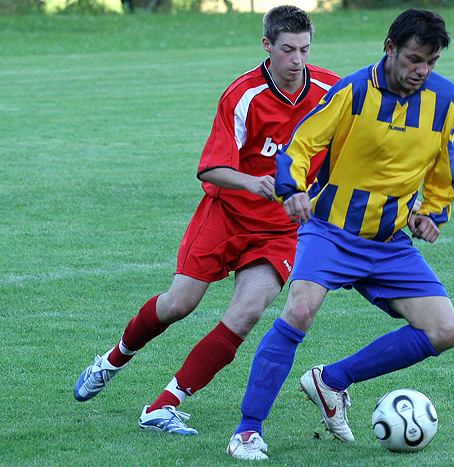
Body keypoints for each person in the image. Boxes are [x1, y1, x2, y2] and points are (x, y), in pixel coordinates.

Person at [73, 4, 340, 437]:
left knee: (247, 313)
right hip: (227, 215)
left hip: (281, 229)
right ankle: (113, 359)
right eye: (287, 50)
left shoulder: (332, 90)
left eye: (304, 50)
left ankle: (164, 406)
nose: (297, 60)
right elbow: (210, 168)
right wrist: (253, 183)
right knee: (178, 305)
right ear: (267, 45)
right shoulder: (243, 95)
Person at [226, 9, 454, 460]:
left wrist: (431, 213)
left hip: (389, 242)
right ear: (390, 48)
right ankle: (248, 431)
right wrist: (293, 188)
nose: (422, 71)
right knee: (299, 310)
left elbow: (443, 165)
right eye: (414, 59)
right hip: (331, 231)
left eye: (430, 62)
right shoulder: (353, 91)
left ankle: (331, 380)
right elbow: (301, 144)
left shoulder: (444, 98)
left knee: (446, 330)